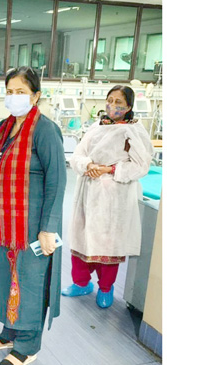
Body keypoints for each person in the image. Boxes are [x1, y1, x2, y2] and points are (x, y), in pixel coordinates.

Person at [0, 66, 66, 365]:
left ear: (36, 95)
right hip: (4, 223)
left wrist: (48, 228)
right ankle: (10, 331)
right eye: (9, 91)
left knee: (29, 282)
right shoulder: (4, 127)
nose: (14, 97)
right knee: (5, 276)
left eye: (21, 91)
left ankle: (28, 344)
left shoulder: (45, 130)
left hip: (33, 225)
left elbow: (57, 180)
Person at [62, 85, 153, 308]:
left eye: (119, 102)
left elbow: (142, 165)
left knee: (108, 243)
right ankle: (81, 283)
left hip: (115, 195)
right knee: (82, 235)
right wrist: (89, 165)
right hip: (88, 188)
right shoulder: (96, 127)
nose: (113, 106)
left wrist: (109, 170)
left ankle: (106, 287)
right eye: (110, 100)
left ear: (129, 107)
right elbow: (77, 155)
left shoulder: (133, 131)